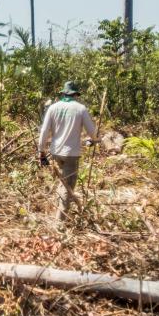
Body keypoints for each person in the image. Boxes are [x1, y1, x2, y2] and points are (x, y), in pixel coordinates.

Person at [38, 81, 98, 216]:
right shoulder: (80, 109)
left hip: (56, 152)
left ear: (63, 93)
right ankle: (60, 221)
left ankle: (59, 212)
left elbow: (44, 131)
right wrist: (94, 139)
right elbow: (92, 131)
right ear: (75, 94)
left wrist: (41, 152)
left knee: (62, 181)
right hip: (71, 153)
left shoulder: (53, 108)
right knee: (68, 186)